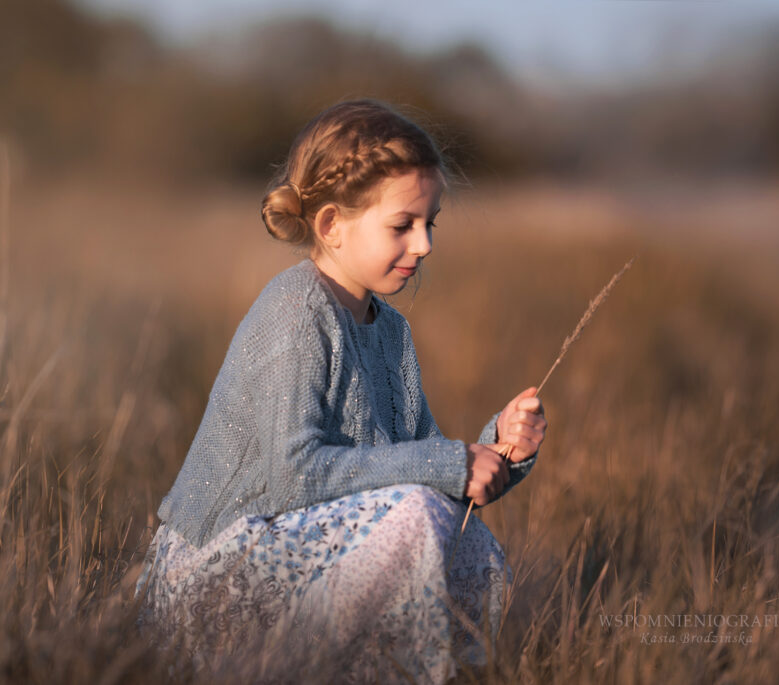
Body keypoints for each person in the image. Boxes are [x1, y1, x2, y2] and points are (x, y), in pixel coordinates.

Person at [134, 99, 546, 683]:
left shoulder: (391, 331)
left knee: (457, 530)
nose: (425, 244)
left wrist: (498, 450)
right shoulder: (296, 308)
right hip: (215, 569)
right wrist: (452, 463)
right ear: (331, 225)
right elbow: (295, 476)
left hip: (294, 548)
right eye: (403, 226)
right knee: (414, 514)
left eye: (431, 223)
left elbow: (427, 471)